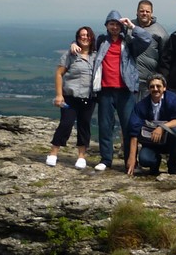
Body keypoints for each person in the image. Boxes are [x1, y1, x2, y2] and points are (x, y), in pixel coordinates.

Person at [91, 10, 152, 171]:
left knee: (129, 128)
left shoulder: (130, 43)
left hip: (126, 90)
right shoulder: (101, 41)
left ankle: (131, 161)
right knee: (105, 126)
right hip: (105, 89)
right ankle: (106, 159)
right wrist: (74, 44)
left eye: (117, 24)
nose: (114, 27)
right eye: (111, 24)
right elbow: (83, 42)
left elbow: (147, 39)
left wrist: (132, 26)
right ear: (106, 26)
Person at [46, 26, 97, 169]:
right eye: (81, 35)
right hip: (70, 97)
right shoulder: (70, 54)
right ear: (77, 38)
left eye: (87, 35)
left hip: (89, 97)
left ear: (92, 37)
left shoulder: (96, 55)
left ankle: (81, 156)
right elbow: (59, 74)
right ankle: (53, 153)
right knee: (66, 124)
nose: (84, 37)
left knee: (84, 125)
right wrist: (59, 95)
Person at [126, 75, 176, 176]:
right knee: (144, 159)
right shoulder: (141, 106)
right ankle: (154, 164)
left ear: (164, 88)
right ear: (148, 89)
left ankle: (173, 166)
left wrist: (162, 127)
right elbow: (134, 131)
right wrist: (132, 158)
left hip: (168, 141)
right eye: (152, 86)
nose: (155, 89)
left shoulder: (173, 100)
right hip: (151, 142)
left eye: (158, 86)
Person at [133, 0, 168, 93]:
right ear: (137, 12)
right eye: (141, 11)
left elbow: (165, 57)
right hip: (129, 80)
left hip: (149, 81)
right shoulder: (128, 27)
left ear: (151, 13)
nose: (144, 13)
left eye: (147, 11)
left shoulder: (160, 32)